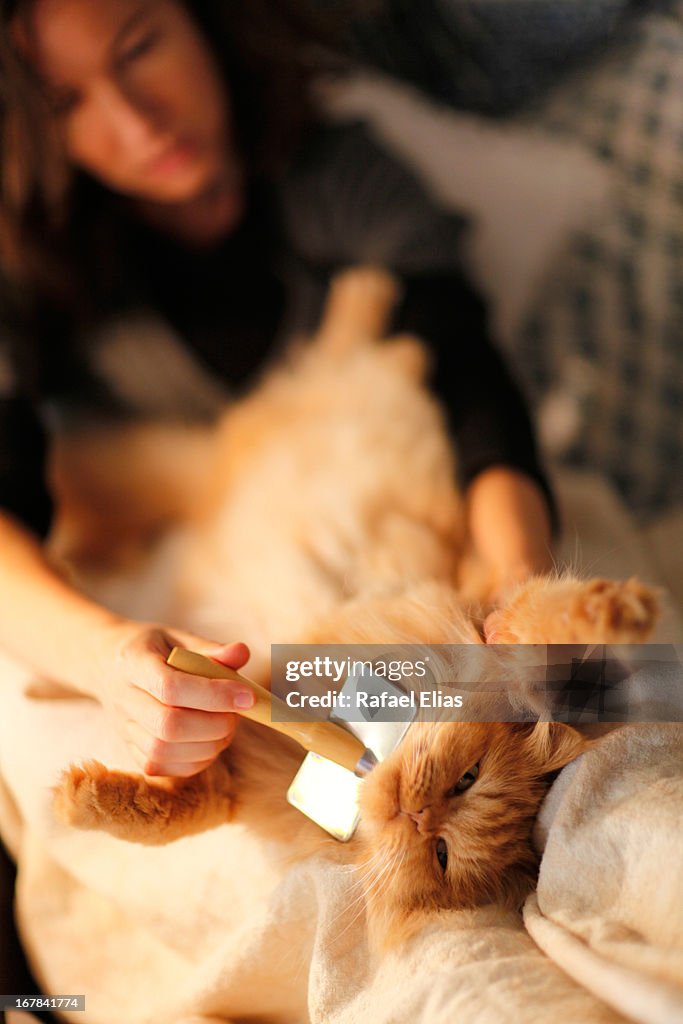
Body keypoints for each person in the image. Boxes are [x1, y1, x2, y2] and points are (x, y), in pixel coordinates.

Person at [0, 0, 554, 784]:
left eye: (140, 47)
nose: (136, 120)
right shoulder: (34, 270)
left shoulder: (339, 179)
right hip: (217, 616)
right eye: (68, 102)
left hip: (426, 542)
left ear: (209, 20)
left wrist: (515, 590)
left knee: (610, 696)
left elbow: (473, 394)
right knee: (351, 799)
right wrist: (105, 659)